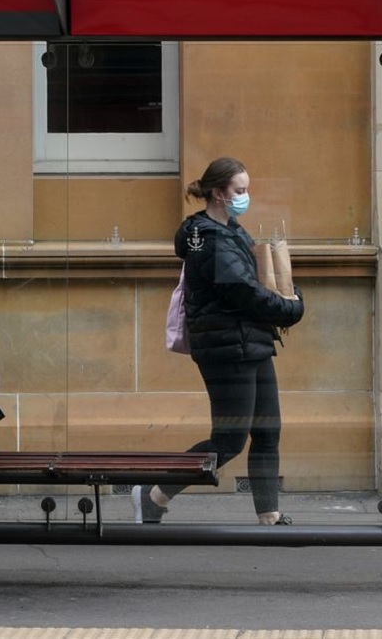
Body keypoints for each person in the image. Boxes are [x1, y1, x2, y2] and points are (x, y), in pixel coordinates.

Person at [133, 156, 305, 526]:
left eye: (247, 189)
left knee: (267, 431)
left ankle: (268, 513)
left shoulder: (233, 232)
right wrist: (290, 308)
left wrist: (289, 294)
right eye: (239, 190)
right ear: (218, 193)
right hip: (227, 349)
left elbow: (260, 280)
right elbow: (244, 292)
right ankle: (154, 494)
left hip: (251, 342)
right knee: (228, 440)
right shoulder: (208, 241)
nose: (246, 196)